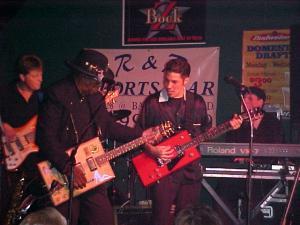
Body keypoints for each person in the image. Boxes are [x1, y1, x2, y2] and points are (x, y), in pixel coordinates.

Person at [36, 49, 162, 225]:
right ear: (85, 77)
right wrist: (67, 166)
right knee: (64, 220)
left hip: (90, 171)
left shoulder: (94, 98)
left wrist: (140, 134)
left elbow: (108, 126)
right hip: (62, 172)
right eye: (98, 82)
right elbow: (45, 137)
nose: (100, 86)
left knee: (102, 218)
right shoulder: (58, 94)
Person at [136, 58, 242, 225]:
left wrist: (229, 126)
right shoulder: (153, 103)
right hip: (162, 170)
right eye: (166, 80)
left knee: (188, 218)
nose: (169, 86)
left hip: (189, 169)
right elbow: (138, 135)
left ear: (186, 80)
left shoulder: (197, 102)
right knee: (161, 218)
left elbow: (206, 133)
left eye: (174, 81)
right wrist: (152, 150)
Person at [215, 86, 285, 225]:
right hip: (240, 173)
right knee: (221, 193)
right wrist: (231, 128)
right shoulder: (238, 121)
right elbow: (229, 147)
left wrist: (254, 158)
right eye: (244, 99)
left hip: (263, 175)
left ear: (260, 102)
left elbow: (276, 148)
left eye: (250, 99)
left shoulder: (272, 122)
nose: (245, 102)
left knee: (255, 198)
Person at [0, 54, 43, 223]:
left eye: (41, 74)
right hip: (7, 153)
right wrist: (3, 125)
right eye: (35, 75)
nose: (40, 79)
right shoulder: (5, 93)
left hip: (31, 156)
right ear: (22, 77)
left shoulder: (41, 98)